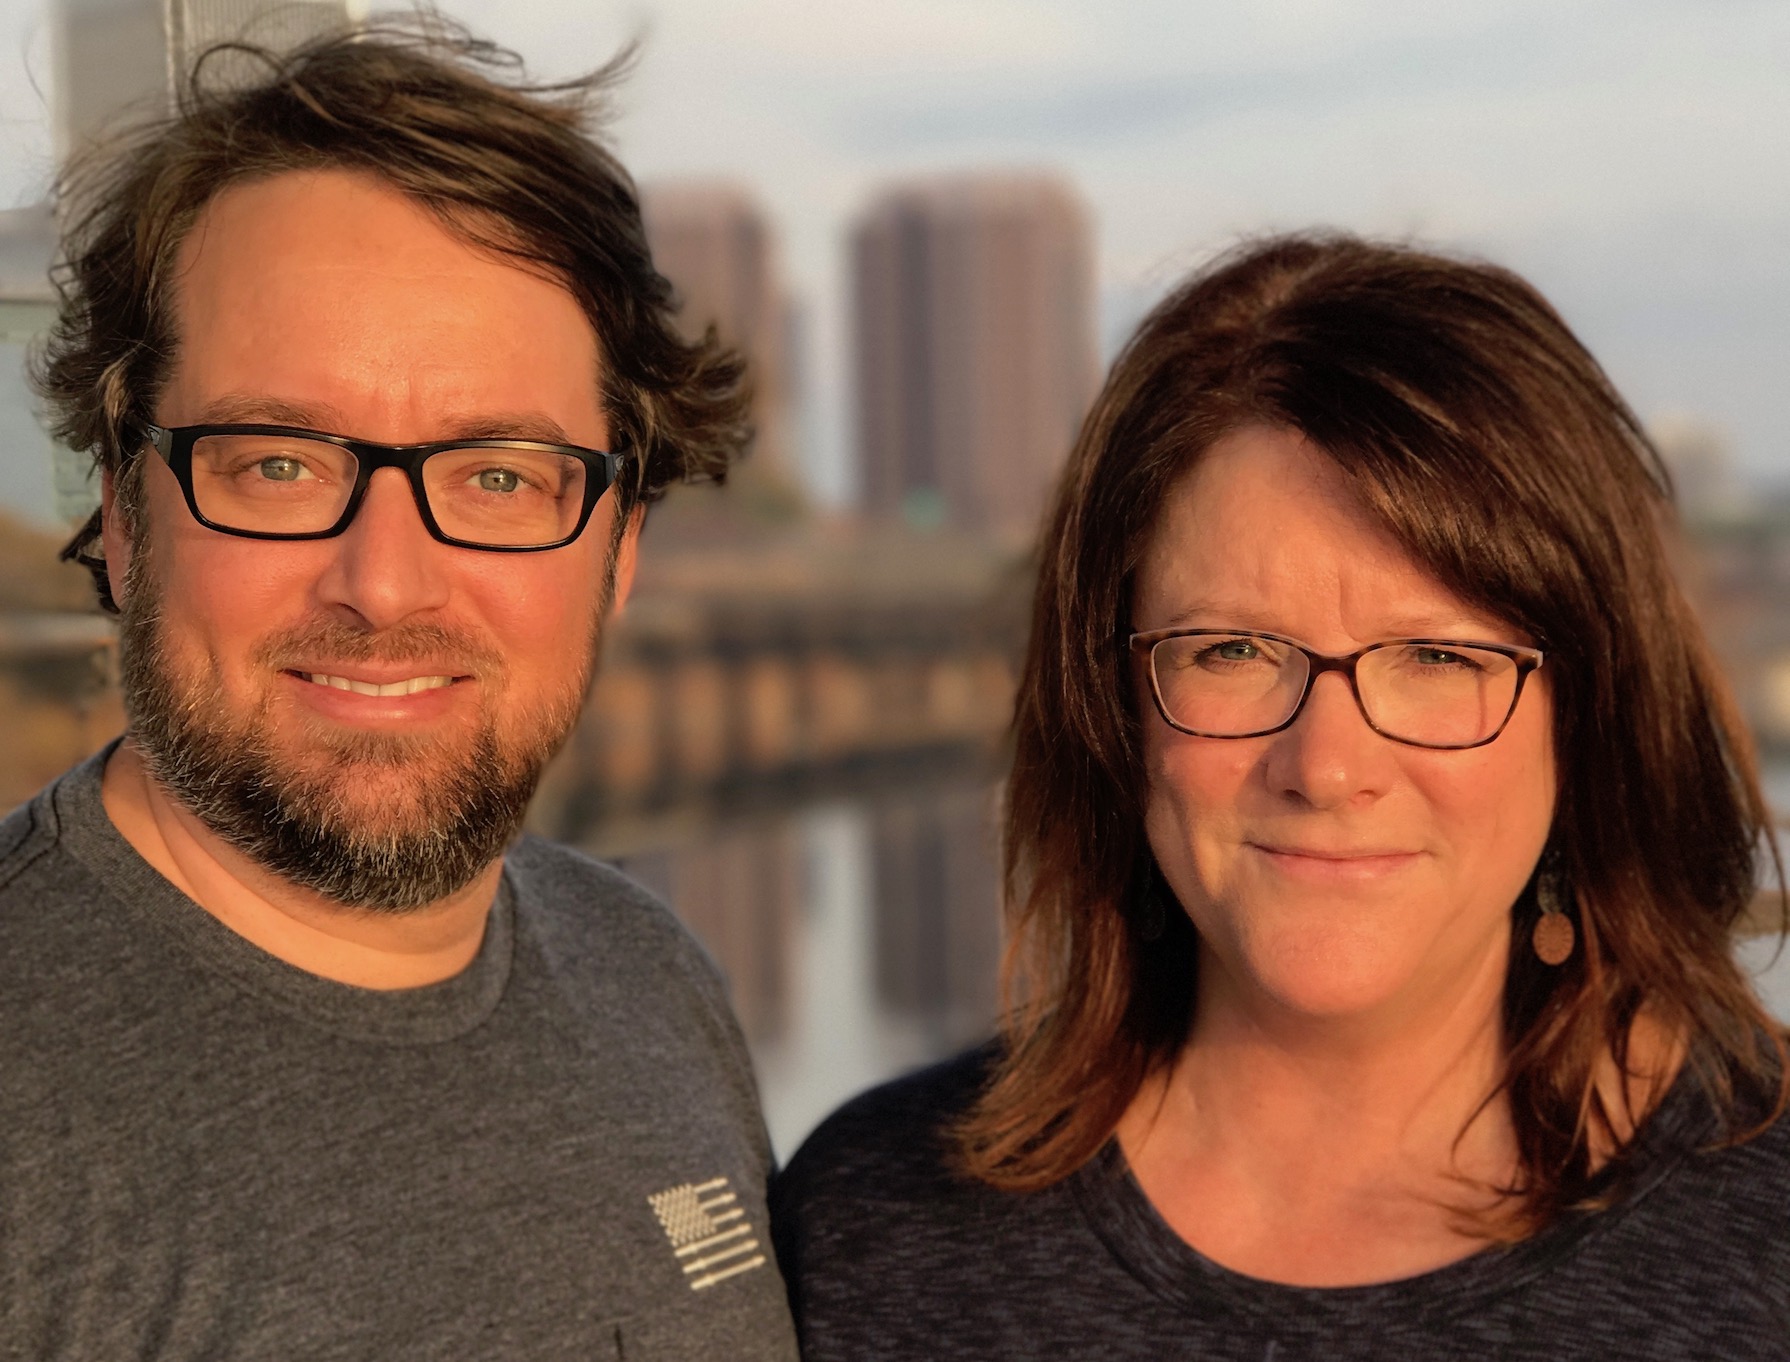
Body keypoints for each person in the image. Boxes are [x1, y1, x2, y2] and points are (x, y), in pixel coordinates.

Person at [773, 233, 1790, 1358]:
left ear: (1590, 715)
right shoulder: (871, 1231)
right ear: (1111, 704)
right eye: (1232, 650)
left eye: (1440, 658)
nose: (1325, 765)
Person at [1, 21, 797, 1360]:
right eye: (277, 463)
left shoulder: (652, 979)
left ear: (616, 550)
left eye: (497, 476)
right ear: (125, 508)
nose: (384, 584)